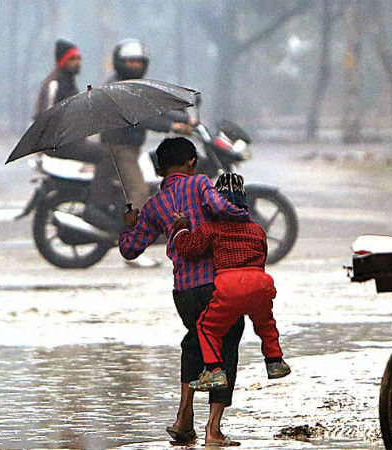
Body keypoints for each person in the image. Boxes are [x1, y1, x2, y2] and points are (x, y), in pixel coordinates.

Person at [119, 137, 248, 446]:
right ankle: (213, 430)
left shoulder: (155, 205)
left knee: (195, 343)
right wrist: (242, 215)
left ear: (161, 169)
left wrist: (128, 223)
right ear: (192, 163)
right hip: (217, 286)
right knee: (225, 346)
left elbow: (130, 249)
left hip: (184, 293)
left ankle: (184, 418)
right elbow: (221, 207)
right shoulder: (200, 183)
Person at [171, 173, 291, 392]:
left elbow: (189, 249)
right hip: (260, 282)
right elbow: (263, 255)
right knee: (265, 323)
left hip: (229, 284)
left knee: (207, 327)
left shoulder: (213, 229)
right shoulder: (257, 230)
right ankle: (274, 361)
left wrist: (180, 229)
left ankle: (214, 371)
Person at [86, 39, 195, 230]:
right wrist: (173, 126)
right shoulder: (117, 88)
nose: (135, 65)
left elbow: (154, 108)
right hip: (121, 149)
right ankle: (132, 240)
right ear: (120, 62)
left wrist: (182, 114)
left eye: (138, 61)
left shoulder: (134, 86)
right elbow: (141, 118)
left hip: (133, 149)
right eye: (130, 62)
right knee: (139, 192)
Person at [33, 39, 101, 164]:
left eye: (78, 59)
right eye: (72, 59)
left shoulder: (69, 82)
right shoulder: (55, 84)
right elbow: (45, 118)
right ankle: (101, 184)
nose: (77, 62)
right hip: (57, 145)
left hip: (71, 141)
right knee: (106, 154)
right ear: (62, 61)